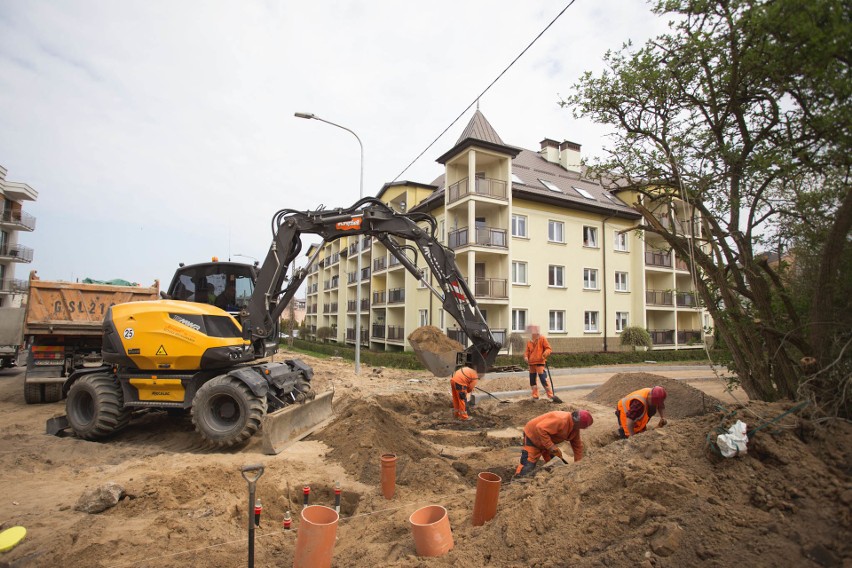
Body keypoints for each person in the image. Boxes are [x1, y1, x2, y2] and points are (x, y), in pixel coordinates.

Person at [515, 410, 594, 477]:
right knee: (528, 466)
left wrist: (577, 465)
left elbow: (577, 447)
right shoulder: (561, 420)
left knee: (555, 465)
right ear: (579, 424)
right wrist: (550, 446)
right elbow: (540, 428)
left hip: (546, 441)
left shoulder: (574, 428)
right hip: (533, 436)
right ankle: (517, 481)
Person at [523, 325, 553, 400]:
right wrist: (526, 357)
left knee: (543, 379)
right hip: (531, 364)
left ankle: (550, 395)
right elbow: (526, 352)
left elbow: (548, 349)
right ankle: (535, 396)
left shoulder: (542, 339)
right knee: (532, 381)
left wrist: (545, 354)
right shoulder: (529, 341)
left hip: (540, 362)